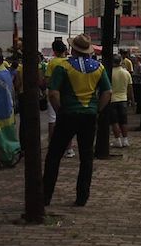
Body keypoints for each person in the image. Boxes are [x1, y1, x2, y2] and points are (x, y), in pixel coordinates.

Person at [43, 34, 112, 206]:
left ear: (73, 49)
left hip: (68, 114)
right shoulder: (99, 67)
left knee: (54, 156)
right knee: (86, 157)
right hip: (89, 115)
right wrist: (97, 110)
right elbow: (107, 92)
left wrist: (60, 110)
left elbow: (52, 93)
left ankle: (45, 196)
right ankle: (82, 197)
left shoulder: (63, 67)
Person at [46, 39, 75, 157]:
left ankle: (53, 146)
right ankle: (69, 149)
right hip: (68, 94)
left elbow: (48, 80)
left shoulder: (52, 63)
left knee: (52, 121)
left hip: (54, 93)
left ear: (54, 51)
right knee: (67, 121)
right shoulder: (70, 62)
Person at [109, 54, 134, 148]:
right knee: (123, 121)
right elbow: (130, 88)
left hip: (112, 99)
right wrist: (132, 100)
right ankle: (125, 139)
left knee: (114, 121)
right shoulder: (126, 73)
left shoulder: (109, 72)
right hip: (123, 99)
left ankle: (117, 140)